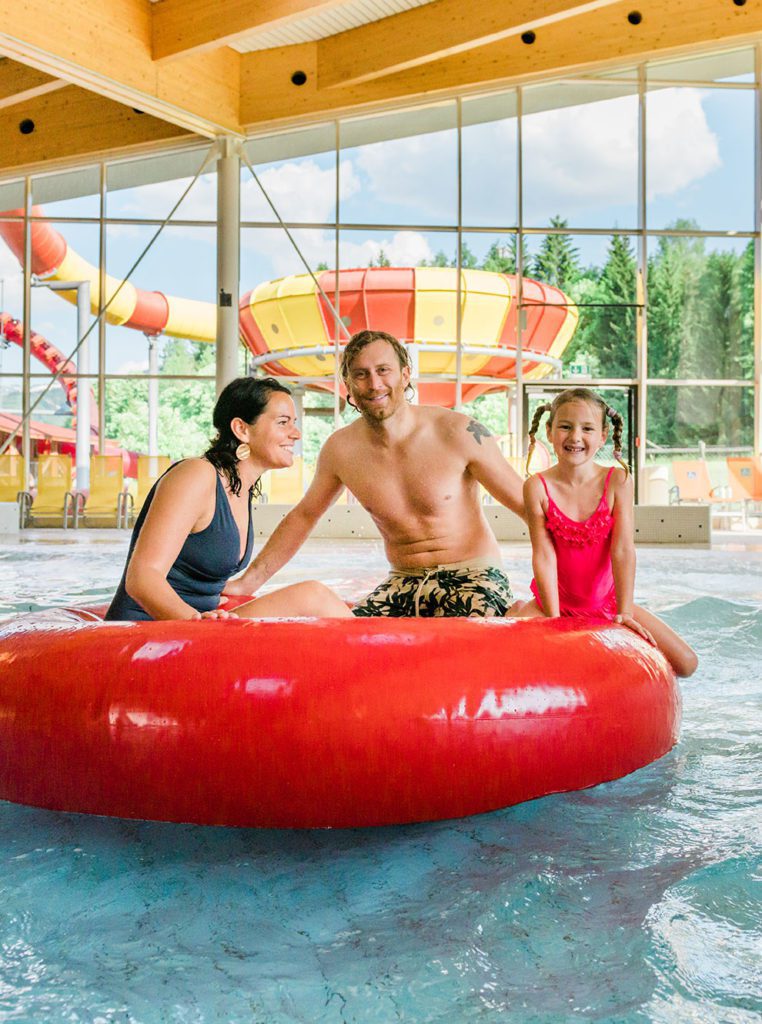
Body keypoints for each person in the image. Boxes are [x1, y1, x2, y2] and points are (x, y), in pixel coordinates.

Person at [225, 329, 526, 617]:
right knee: (349, 640)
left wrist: (561, 586)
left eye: (384, 370)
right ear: (349, 384)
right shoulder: (341, 450)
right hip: (402, 583)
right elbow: (304, 517)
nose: (374, 384)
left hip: (474, 575)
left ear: (405, 374)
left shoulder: (459, 432)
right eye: (361, 374)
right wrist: (248, 582)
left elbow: (531, 507)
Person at [105, 377, 352, 622]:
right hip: (151, 632)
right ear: (242, 429)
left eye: (294, 423)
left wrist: (239, 588)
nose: (296, 434)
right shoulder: (196, 475)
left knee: (313, 597)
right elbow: (142, 578)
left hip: (200, 623)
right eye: (283, 423)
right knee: (313, 595)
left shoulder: (240, 488)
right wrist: (197, 624)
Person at [509, 387, 698, 677]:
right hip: (556, 602)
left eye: (587, 428)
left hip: (607, 603)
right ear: (549, 431)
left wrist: (625, 613)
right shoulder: (537, 487)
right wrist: (553, 618)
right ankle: (521, 608)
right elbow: (544, 555)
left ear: (603, 435)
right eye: (565, 427)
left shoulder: (617, 481)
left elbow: (622, 550)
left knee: (686, 664)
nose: (575, 437)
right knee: (514, 658)